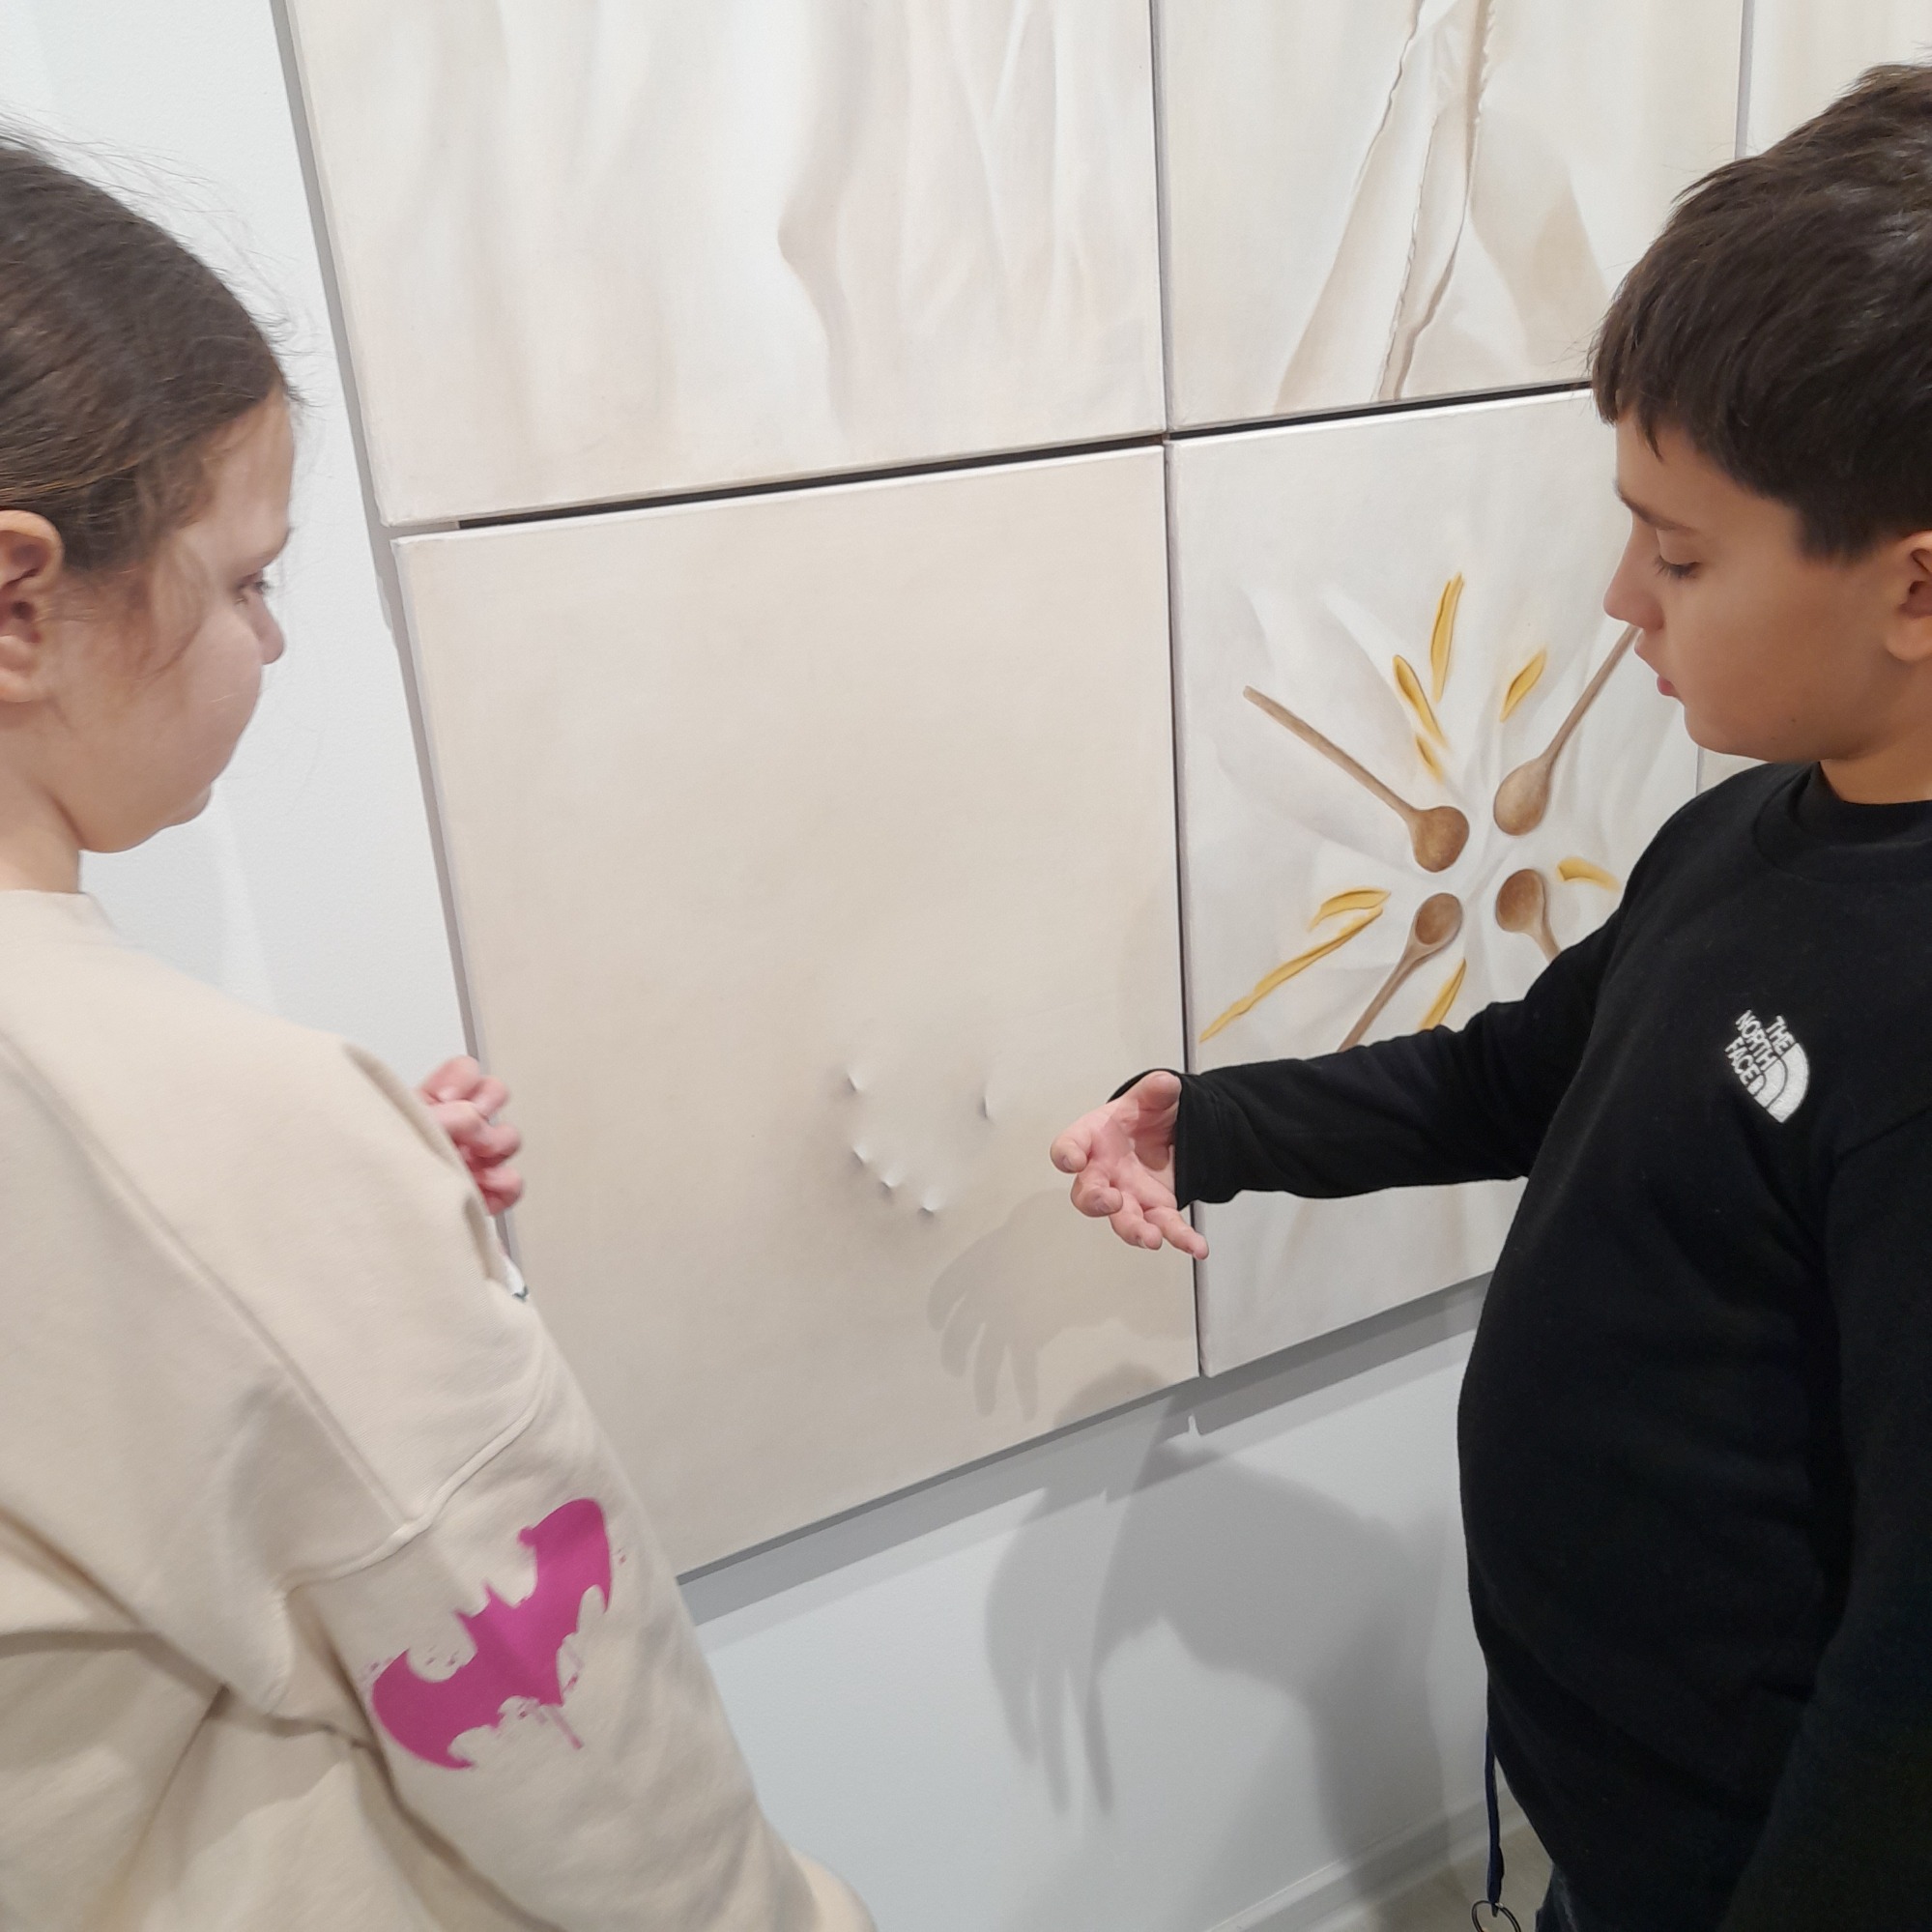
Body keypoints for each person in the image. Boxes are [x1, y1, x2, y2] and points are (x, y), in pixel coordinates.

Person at [1053, 64, 1932, 1932]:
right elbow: (1528, 1072)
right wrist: (1213, 1125)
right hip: (1606, 1795)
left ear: (1917, 591)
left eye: (1680, 554)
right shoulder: (1748, 836)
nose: (1623, 598)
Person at [0, 138, 869, 1932]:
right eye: (246, 580)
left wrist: (334, 1215)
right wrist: (313, 1195)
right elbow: (590, 1745)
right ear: (20, 605)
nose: (272, 642)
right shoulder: (206, 1145)